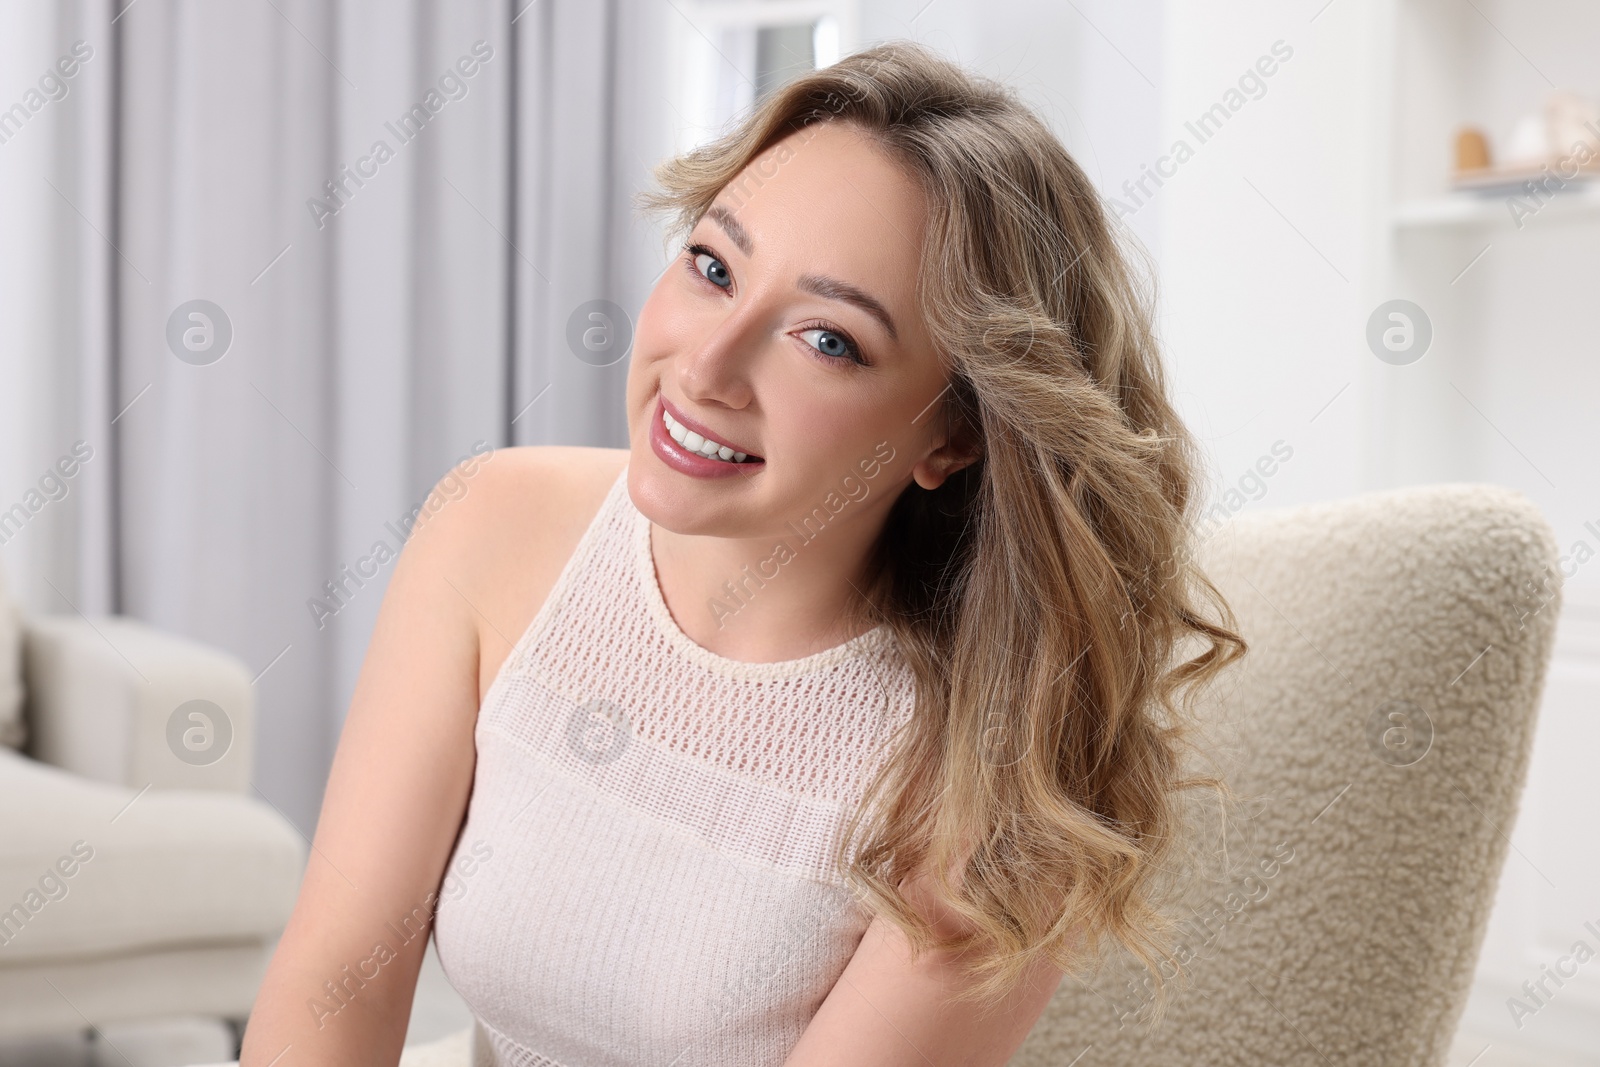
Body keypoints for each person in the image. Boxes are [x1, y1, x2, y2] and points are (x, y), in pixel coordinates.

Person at [238, 39, 1245, 1067]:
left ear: (953, 435)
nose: (706, 367)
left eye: (826, 338)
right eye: (714, 267)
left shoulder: (993, 780)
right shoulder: (492, 525)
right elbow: (336, 971)